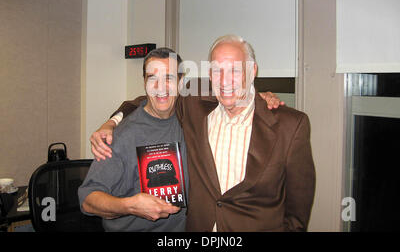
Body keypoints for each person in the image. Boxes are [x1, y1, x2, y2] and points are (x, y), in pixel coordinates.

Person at [92, 35, 315, 231]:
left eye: (235, 70)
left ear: (252, 70)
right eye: (217, 71)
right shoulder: (195, 106)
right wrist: (111, 122)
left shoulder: (291, 126)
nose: (225, 80)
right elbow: (150, 99)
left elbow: (298, 210)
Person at [78, 48, 188, 232]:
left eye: (168, 78)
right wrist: (129, 206)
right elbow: (88, 200)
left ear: (181, 82)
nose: (160, 87)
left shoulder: (189, 121)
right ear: (144, 82)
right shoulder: (121, 136)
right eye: (152, 78)